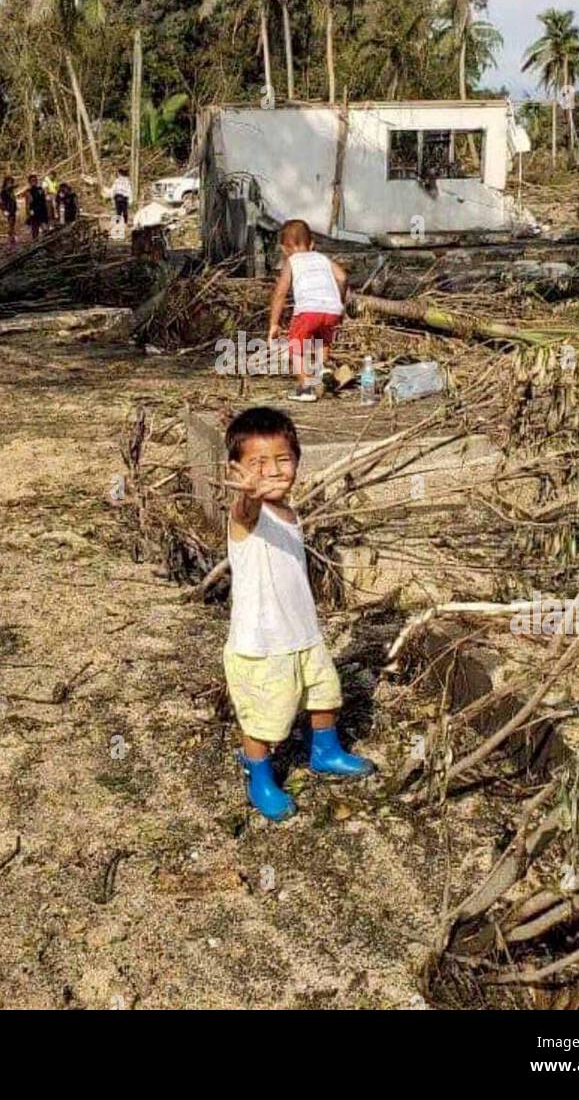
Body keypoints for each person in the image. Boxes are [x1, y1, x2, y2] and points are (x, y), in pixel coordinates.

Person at [224, 407, 375, 822]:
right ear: (236, 470)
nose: (272, 471)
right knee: (265, 719)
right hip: (263, 645)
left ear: (297, 460)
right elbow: (243, 511)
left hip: (302, 634)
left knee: (324, 693)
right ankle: (260, 776)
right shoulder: (246, 516)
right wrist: (246, 493)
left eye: (282, 459)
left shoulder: (289, 512)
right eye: (257, 463)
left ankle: (325, 751)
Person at [268, 219, 348, 402]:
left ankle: (305, 388)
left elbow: (280, 293)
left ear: (284, 249)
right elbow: (342, 278)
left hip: (308, 311)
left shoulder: (292, 262)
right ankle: (322, 370)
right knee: (322, 341)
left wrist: (274, 323)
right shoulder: (323, 259)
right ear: (312, 244)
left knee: (296, 348)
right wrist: (340, 303)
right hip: (332, 309)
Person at [21, 174, 49, 241]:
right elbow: (27, 204)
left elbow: (44, 201)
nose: (34, 182)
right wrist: (28, 214)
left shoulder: (41, 189)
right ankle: (35, 244)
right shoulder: (28, 191)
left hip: (42, 212)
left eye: (35, 180)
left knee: (45, 230)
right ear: (29, 182)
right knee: (35, 231)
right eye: (32, 181)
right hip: (34, 212)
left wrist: (48, 212)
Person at [0, 176, 18, 248]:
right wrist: (4, 210)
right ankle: (10, 240)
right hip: (8, 210)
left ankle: (12, 239)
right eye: (9, 182)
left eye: (11, 182)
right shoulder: (4, 191)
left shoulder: (11, 191)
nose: (10, 184)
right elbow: (2, 202)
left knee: (13, 224)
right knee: (10, 225)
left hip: (13, 209)